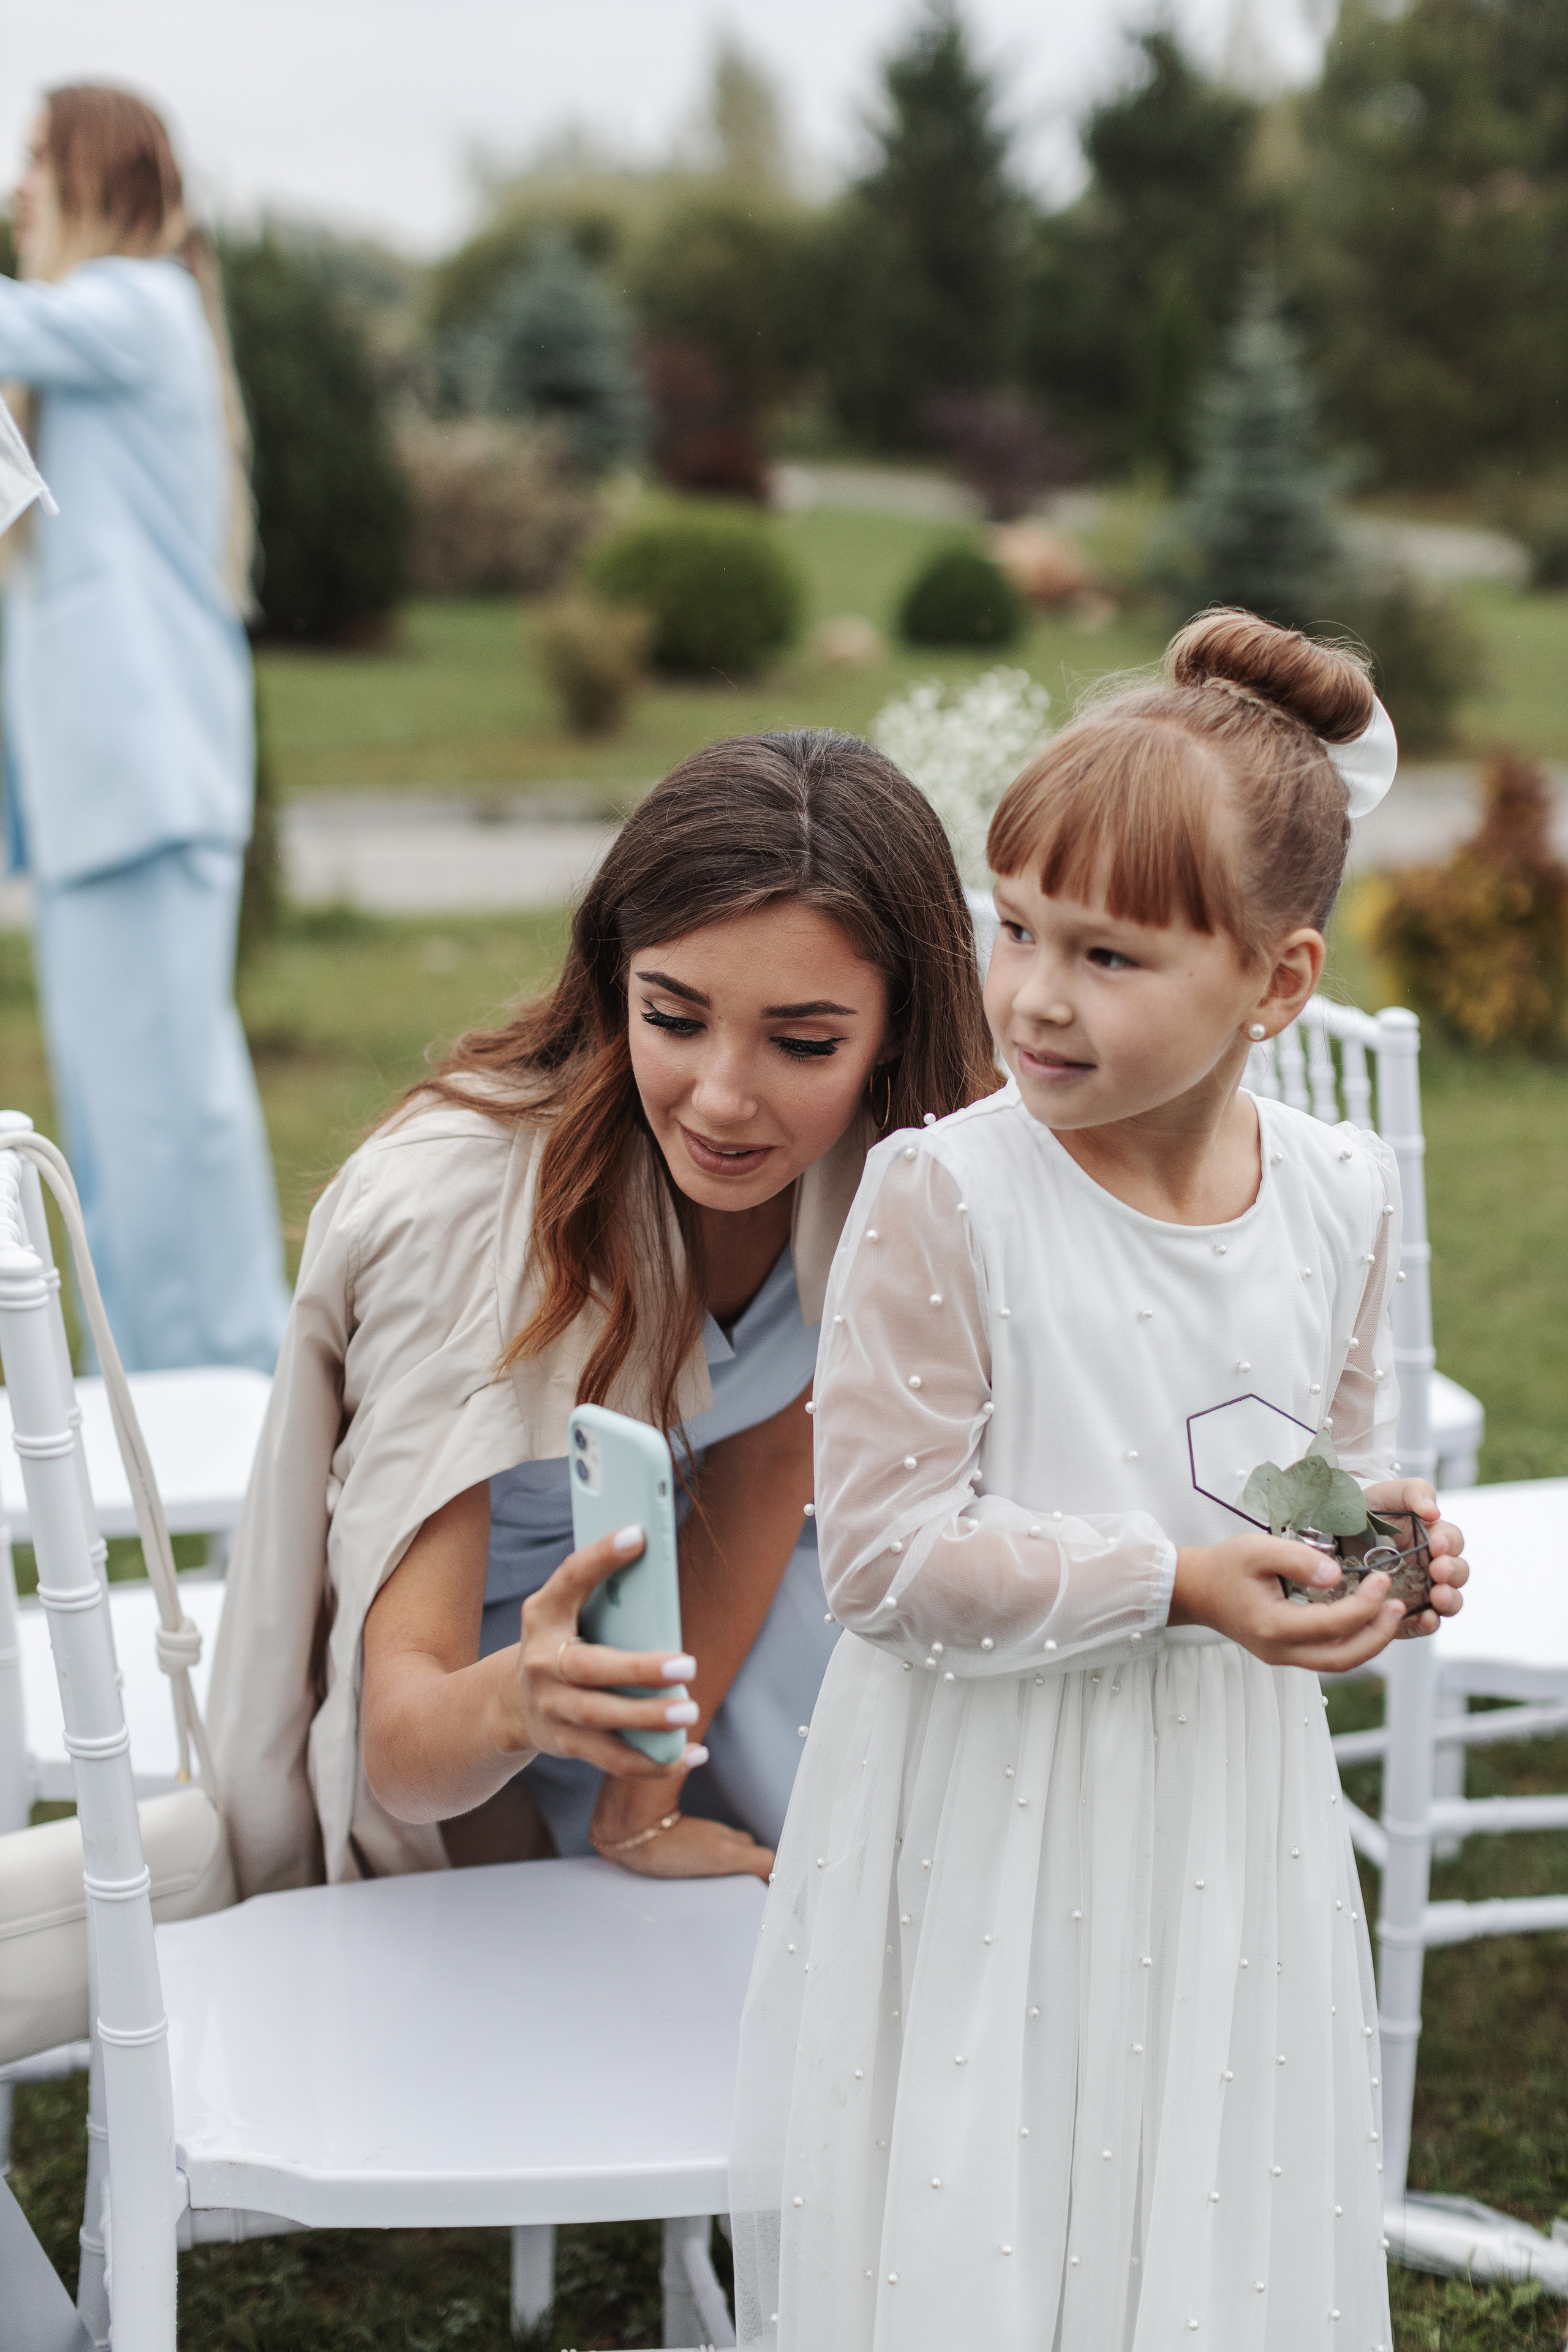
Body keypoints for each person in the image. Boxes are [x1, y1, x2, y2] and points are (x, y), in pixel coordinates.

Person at [729, 614, 1471, 2350]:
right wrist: (1175, 1583)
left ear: (1277, 983)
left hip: (1219, 1803)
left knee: (1198, 2178)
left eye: (1112, 956)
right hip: (992, 1795)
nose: (1037, 995)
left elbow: (1271, 1441)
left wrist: (1363, 1534)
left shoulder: (1341, 1191)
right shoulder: (950, 1197)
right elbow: (889, 1562)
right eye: (1015, 930)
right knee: (991, 2178)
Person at [207, 729, 998, 1896]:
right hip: (475, 1738)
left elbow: (771, 1459)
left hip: (667, 1676)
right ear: (612, 979)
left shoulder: (876, 1170)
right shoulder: (466, 1219)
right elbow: (402, 1750)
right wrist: (526, 1698)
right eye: (673, 1018)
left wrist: (641, 1805)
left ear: (895, 1035)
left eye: (804, 1042)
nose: (723, 1099)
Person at [0, 85, 288, 1372]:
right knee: (119, 1132)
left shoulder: (137, 306)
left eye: (33, 165)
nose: (17, 195)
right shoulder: (93, 340)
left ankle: (222, 1392)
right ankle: (158, 1396)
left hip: (144, 784)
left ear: (92, 176)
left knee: (169, 1125)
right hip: (96, 800)